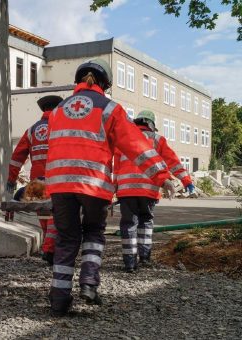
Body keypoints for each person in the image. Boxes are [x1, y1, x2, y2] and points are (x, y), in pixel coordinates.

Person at [45, 58, 176, 316]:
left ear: (78, 80)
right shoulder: (109, 108)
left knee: (66, 239)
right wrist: (162, 176)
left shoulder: (58, 110)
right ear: (105, 83)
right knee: (93, 233)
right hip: (93, 184)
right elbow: (136, 146)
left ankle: (59, 300)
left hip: (59, 184)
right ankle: (89, 285)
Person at [114, 110, 194, 272]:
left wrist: (116, 186)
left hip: (126, 190)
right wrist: (187, 181)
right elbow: (173, 162)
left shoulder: (124, 139)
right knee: (146, 223)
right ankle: (144, 258)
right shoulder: (157, 140)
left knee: (129, 224)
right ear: (151, 125)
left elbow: (116, 167)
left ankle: (129, 263)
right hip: (149, 190)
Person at [6, 95, 63, 265]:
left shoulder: (31, 130)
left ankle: (48, 246)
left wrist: (11, 179)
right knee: (56, 216)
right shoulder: (61, 126)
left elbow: (17, 156)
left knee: (44, 215)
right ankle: (50, 250)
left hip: (36, 181)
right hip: (57, 178)